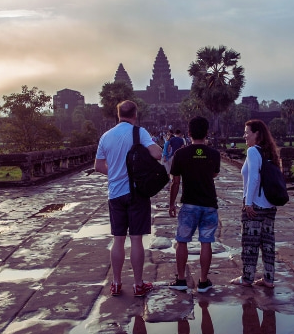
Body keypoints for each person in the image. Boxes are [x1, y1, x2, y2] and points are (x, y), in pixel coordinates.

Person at [94, 100, 162, 298]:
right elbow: (157, 154)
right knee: (136, 239)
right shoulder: (139, 132)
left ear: (118, 115)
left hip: (114, 194)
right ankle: (138, 284)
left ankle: (115, 283)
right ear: (135, 114)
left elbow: (98, 166)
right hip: (136, 193)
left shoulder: (105, 136)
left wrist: (115, 173)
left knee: (118, 239)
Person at [168, 116, 221, 293]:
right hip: (209, 204)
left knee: (182, 241)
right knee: (206, 242)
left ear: (189, 133)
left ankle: (181, 279)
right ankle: (203, 282)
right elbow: (214, 174)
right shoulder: (214, 154)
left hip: (189, 204)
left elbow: (175, 182)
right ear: (207, 133)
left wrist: (171, 204)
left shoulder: (181, 154)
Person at [231, 119, 281, 289]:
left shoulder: (253, 151)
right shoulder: (269, 152)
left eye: (247, 132)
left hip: (255, 205)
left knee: (250, 242)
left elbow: (253, 178)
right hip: (269, 205)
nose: (244, 135)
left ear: (256, 134)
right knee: (268, 243)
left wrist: (248, 203)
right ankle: (268, 279)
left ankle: (247, 278)